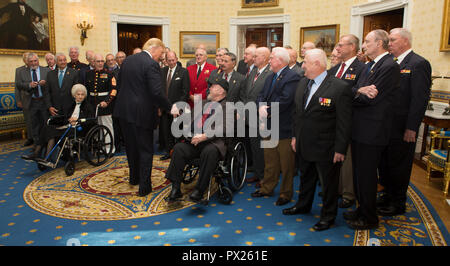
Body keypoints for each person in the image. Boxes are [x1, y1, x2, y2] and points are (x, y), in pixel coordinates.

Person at [283, 49, 352, 231]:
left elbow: (344, 123)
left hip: (327, 146)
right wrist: (295, 136)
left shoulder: (340, 87)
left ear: (317, 64)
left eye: (305, 62)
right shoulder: (303, 82)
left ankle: (328, 216)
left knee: (329, 185)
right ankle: (303, 205)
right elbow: (298, 114)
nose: (302, 66)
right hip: (304, 142)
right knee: (306, 178)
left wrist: (340, 149)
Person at [345, 29, 400, 230]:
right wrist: (359, 91)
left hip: (373, 131)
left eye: (367, 41)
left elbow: (369, 98)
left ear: (379, 43)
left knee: (367, 176)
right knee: (359, 174)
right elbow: (353, 90)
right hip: (360, 128)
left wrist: (358, 93)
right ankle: (361, 209)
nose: (364, 45)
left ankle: (369, 218)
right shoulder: (370, 65)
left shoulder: (389, 66)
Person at [377, 28, 432, 216]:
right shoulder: (391, 63)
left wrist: (412, 127)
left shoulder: (418, 63)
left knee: (399, 165)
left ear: (405, 41)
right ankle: (387, 194)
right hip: (386, 125)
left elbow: (419, 99)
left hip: (402, 127)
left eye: (392, 40)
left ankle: (398, 202)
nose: (388, 43)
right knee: (385, 163)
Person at [113, 38, 171, 197]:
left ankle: (134, 178)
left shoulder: (128, 60)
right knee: (145, 150)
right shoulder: (151, 64)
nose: (162, 56)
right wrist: (170, 107)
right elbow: (156, 92)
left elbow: (120, 85)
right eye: (162, 52)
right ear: (155, 48)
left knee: (131, 147)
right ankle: (144, 186)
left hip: (124, 112)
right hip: (142, 114)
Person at [165, 78, 233, 202]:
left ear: (221, 91)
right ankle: (175, 189)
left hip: (213, 142)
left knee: (209, 151)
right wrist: (178, 111)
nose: (209, 88)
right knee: (179, 149)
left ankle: (199, 190)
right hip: (194, 140)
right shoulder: (202, 103)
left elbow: (224, 128)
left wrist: (204, 136)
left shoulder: (227, 107)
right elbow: (189, 116)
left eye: (213, 86)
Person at [251, 47, 301, 206]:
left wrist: (268, 110)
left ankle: (285, 194)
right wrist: (260, 107)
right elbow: (261, 95)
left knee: (286, 165)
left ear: (280, 60)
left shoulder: (292, 77)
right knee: (270, 161)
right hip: (269, 126)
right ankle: (267, 188)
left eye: (271, 58)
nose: (269, 60)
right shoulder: (271, 76)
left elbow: (286, 100)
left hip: (284, 128)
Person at [329, 34, 366, 209]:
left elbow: (359, 92)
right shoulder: (336, 68)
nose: (337, 49)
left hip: (349, 119)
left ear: (352, 47)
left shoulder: (362, 68)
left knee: (347, 158)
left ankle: (348, 193)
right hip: (331, 119)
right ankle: (335, 188)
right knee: (334, 155)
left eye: (341, 45)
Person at [21, 84, 95, 161]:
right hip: (67, 126)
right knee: (47, 128)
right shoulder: (71, 105)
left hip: (78, 129)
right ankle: (36, 153)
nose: (80, 96)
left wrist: (77, 120)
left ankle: (47, 157)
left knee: (52, 133)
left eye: (82, 95)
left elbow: (90, 120)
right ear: (74, 95)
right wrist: (69, 120)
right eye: (78, 94)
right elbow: (65, 117)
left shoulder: (88, 106)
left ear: (85, 95)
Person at [241, 47, 272, 186]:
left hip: (262, 117)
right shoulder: (253, 71)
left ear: (265, 57)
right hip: (249, 116)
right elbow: (247, 93)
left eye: (257, 56)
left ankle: (265, 177)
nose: (254, 58)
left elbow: (267, 95)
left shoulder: (270, 73)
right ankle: (258, 174)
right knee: (254, 147)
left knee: (263, 149)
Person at [159, 51, 190, 160]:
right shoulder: (162, 71)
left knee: (177, 133)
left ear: (176, 59)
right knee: (166, 132)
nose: (171, 62)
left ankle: (177, 154)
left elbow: (185, 92)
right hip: (165, 108)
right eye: (169, 60)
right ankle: (168, 152)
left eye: (173, 60)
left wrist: (178, 106)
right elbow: (160, 90)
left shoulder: (183, 72)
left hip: (177, 109)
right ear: (166, 61)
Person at [15, 53, 51, 148]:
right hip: (31, 101)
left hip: (44, 101)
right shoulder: (22, 71)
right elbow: (18, 84)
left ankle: (47, 145)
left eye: (35, 61)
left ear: (38, 61)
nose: (34, 63)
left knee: (45, 123)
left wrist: (45, 83)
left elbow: (52, 85)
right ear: (28, 62)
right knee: (34, 125)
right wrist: (29, 85)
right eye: (31, 61)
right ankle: (37, 145)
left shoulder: (46, 70)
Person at [85, 54, 116, 153]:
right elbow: (86, 90)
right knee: (97, 128)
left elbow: (113, 90)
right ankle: (101, 147)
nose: (100, 63)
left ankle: (109, 148)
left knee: (107, 127)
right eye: (98, 61)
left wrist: (106, 102)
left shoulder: (110, 74)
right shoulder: (88, 73)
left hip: (105, 106)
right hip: (92, 105)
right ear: (93, 62)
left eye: (102, 61)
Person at [45, 53, 79, 119]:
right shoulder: (50, 74)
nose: (63, 62)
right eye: (60, 60)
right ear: (56, 62)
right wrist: (49, 106)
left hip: (70, 108)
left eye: (64, 60)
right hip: (55, 109)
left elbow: (76, 91)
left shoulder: (74, 73)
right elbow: (47, 92)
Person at [14, 52, 34, 147]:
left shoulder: (37, 68)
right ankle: (30, 138)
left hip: (37, 98)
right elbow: (17, 87)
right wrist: (18, 100)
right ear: (24, 60)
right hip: (25, 99)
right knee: (28, 120)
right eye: (26, 58)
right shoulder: (19, 70)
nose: (28, 59)